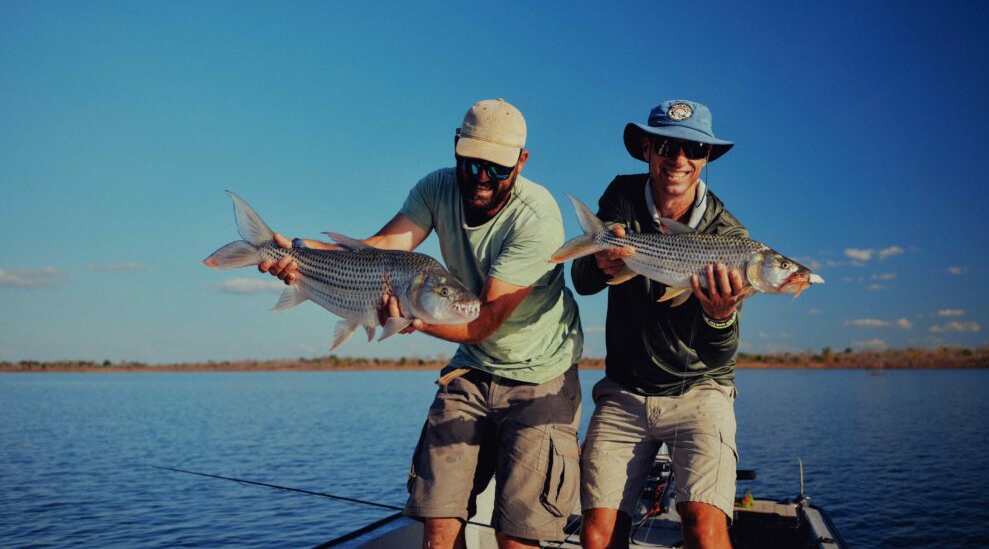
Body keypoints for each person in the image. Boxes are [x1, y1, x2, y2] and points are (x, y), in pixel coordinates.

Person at [260, 99, 584, 549]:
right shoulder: (437, 187)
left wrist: (415, 322)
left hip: (541, 374)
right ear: (456, 149)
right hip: (471, 368)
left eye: (496, 169)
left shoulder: (538, 219)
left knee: (517, 537)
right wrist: (299, 253)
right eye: (470, 164)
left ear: (521, 162)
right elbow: (378, 251)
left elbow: (483, 320)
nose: (481, 178)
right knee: (437, 523)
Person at [570, 99, 751, 549]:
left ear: (706, 159)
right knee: (597, 534)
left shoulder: (731, 237)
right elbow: (583, 280)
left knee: (705, 527)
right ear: (648, 148)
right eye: (668, 146)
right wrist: (604, 264)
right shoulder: (621, 195)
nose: (680, 160)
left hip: (700, 391)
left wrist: (720, 315)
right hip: (625, 390)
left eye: (695, 150)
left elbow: (720, 353)